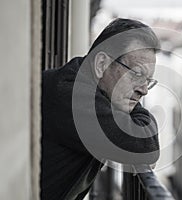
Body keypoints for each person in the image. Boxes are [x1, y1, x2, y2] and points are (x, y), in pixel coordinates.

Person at [41, 18, 160, 200]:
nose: (143, 90)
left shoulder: (83, 89)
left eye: (147, 81)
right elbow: (144, 145)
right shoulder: (72, 97)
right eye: (136, 74)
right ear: (101, 64)